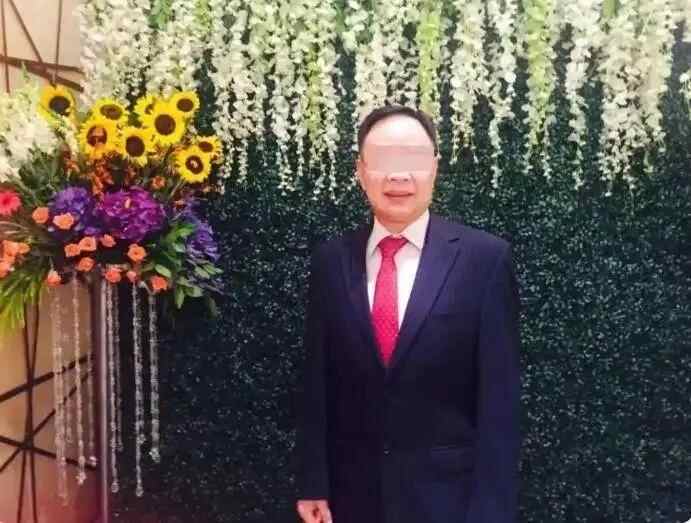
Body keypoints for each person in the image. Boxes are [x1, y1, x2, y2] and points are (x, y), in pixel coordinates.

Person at [295, 104, 521, 523]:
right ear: (360, 170)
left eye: (412, 159)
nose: (398, 176)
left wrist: (492, 512)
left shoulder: (484, 260)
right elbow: (317, 381)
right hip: (351, 499)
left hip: (448, 502)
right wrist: (313, 482)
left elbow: (499, 403)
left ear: (434, 167)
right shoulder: (331, 261)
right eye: (383, 160)